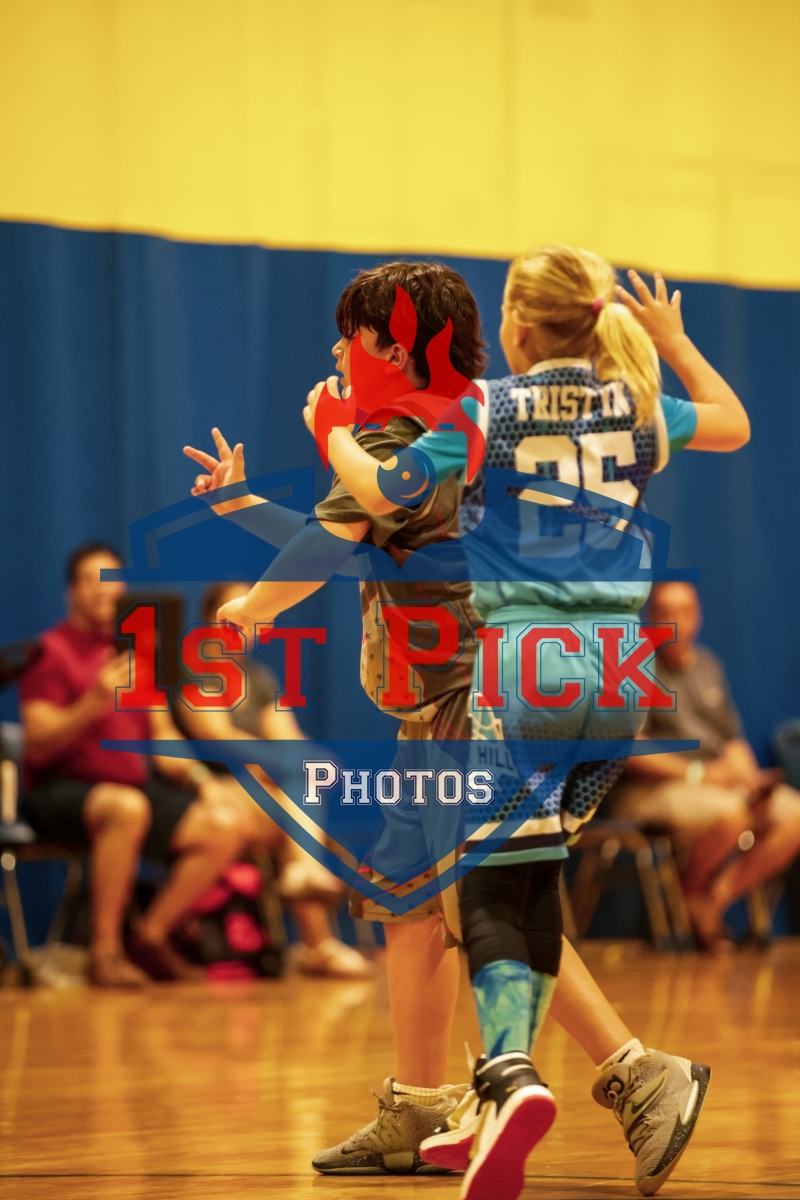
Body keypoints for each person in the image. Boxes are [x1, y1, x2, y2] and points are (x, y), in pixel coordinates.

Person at [183, 255, 747, 1197]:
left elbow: (343, 535)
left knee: (476, 905)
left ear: (394, 348)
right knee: (413, 904)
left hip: (471, 694)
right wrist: (248, 510)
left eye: (349, 339)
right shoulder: (446, 425)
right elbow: (358, 539)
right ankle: (418, 1106)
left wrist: (249, 608)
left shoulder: (421, 429)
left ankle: (636, 1071)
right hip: (490, 691)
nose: (334, 353)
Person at [18, 543, 252, 987]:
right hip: (59, 789)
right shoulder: (50, 650)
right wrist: (94, 702)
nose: (102, 590)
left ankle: (150, 936)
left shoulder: (138, 650)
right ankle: (104, 953)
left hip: (133, 787)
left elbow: (162, 735)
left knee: (225, 823)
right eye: (90, 581)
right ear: (72, 593)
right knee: (126, 807)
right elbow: (35, 743)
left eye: (110, 580)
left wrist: (201, 780)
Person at [178, 581, 373, 979]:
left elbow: (289, 739)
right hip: (208, 791)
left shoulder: (259, 679)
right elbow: (216, 737)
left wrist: (309, 760)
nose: (245, 626)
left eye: (254, 617)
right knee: (296, 810)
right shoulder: (193, 668)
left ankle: (307, 897)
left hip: (262, 793)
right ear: (211, 619)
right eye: (237, 616)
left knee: (303, 785)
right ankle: (317, 940)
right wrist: (277, 762)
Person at [608, 580, 800, 951]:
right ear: (649, 618)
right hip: (652, 791)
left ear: (697, 617)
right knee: (730, 815)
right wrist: (699, 775)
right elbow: (627, 748)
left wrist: (749, 778)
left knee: (793, 816)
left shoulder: (709, 666)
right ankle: (687, 899)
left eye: (683, 612)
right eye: (664, 612)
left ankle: (709, 902)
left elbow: (732, 741)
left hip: (718, 786)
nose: (674, 622)